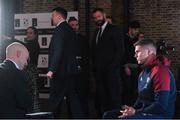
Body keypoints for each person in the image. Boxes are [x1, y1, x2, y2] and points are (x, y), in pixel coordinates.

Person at [103, 39, 176, 119]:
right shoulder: (143, 73)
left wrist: (135, 112)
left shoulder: (160, 72)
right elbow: (141, 97)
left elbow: (161, 106)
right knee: (108, 115)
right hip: (144, 112)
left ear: (149, 52)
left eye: (137, 52)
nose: (135, 55)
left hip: (160, 115)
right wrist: (132, 109)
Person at [47, 7, 83, 118]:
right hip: (71, 71)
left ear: (58, 16)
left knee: (55, 101)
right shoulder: (70, 30)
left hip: (60, 73)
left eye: (53, 15)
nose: (51, 18)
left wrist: (52, 70)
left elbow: (58, 51)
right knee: (73, 101)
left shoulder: (59, 30)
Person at [91, 8, 124, 117]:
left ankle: (115, 117)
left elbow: (120, 50)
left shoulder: (114, 29)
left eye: (99, 16)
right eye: (95, 18)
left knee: (113, 98)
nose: (97, 19)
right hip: (99, 73)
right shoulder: (96, 31)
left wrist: (112, 67)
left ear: (104, 15)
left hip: (111, 72)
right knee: (102, 97)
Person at [0, 42, 32, 118]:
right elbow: (25, 102)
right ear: (18, 54)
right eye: (26, 58)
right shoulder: (17, 74)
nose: (26, 63)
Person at [68, 16, 90, 117]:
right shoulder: (65, 39)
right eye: (72, 25)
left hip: (82, 74)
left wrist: (82, 67)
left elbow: (87, 56)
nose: (74, 27)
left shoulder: (83, 39)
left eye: (76, 25)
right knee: (70, 98)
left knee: (83, 97)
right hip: (70, 74)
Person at [122, 20, 141, 106]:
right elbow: (122, 53)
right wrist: (125, 66)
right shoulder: (124, 39)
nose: (137, 32)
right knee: (127, 88)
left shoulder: (137, 39)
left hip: (136, 67)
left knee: (135, 89)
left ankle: (133, 108)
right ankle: (125, 107)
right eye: (135, 29)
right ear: (130, 29)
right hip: (127, 67)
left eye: (137, 30)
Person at [24, 26, 40, 112]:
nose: (28, 35)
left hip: (32, 71)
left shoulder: (34, 44)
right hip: (27, 71)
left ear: (35, 35)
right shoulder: (28, 44)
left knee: (33, 95)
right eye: (27, 33)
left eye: (30, 33)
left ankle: (35, 114)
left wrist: (9, 38)